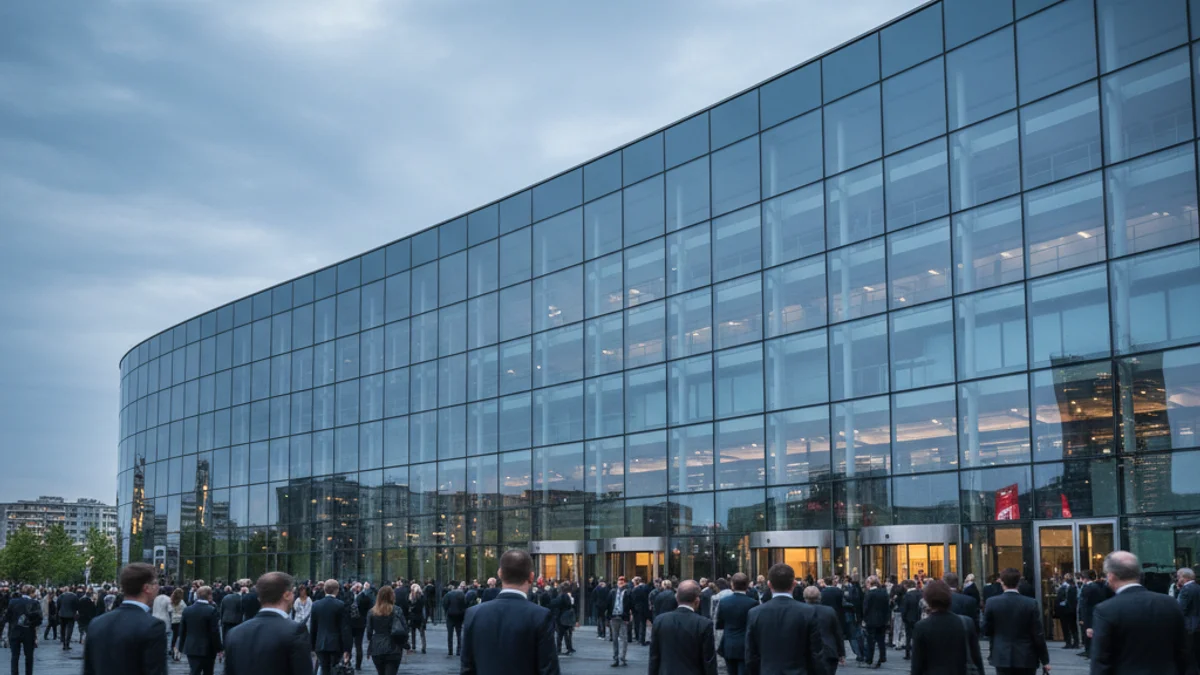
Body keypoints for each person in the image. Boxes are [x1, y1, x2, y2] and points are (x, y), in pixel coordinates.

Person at [1090, 551, 1195, 675]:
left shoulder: (1106, 610)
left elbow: (1101, 660)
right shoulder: (1170, 603)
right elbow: (1185, 653)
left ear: (1111, 576)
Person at [460, 549, 560, 675]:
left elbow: (467, 668)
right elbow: (549, 670)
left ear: (500, 574)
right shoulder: (540, 616)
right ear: (531, 577)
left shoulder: (473, 614)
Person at [82, 562, 168, 675]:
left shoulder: (96, 623)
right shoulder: (153, 626)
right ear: (147, 588)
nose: (158, 587)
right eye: (156, 583)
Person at [223, 572, 311, 675]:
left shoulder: (234, 633)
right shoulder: (296, 631)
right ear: (287, 595)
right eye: (293, 592)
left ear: (259, 598)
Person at [745, 563, 824, 675]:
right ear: (794, 584)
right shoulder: (808, 612)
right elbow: (816, 653)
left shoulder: (755, 613)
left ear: (769, 584)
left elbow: (751, 655)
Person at [981, 567, 1049, 675]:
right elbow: (1037, 634)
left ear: (1002, 582)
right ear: (1019, 582)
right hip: (1026, 655)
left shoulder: (992, 602)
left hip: (1001, 654)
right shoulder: (1030, 603)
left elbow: (986, 629)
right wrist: (1045, 660)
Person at [909, 580, 984, 675]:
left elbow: (917, 663)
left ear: (927, 600)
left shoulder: (921, 626)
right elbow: (976, 658)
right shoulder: (966, 622)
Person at [648, 580, 716, 675]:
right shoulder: (704, 624)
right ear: (697, 601)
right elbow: (709, 661)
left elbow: (654, 657)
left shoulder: (660, 621)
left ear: (677, 598)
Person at [715, 573, 756, 675]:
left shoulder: (724, 601)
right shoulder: (753, 603)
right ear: (747, 585)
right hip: (745, 645)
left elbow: (719, 624)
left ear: (732, 584)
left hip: (729, 644)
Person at [309, 579, 352, 675]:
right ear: (337, 590)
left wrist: (312, 646)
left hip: (320, 643)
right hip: (336, 644)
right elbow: (345, 629)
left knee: (324, 669)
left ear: (324, 589)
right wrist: (347, 649)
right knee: (335, 669)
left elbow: (313, 627)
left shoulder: (316, 605)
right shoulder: (340, 605)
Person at [179, 585, 222, 675]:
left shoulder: (187, 610)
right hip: (208, 649)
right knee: (208, 672)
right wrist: (219, 648)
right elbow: (214, 632)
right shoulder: (211, 610)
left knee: (194, 671)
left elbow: (182, 630)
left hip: (191, 647)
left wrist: (181, 647)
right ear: (209, 595)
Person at [803, 585, 844, 675]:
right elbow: (837, 632)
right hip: (829, 651)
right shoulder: (829, 611)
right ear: (820, 596)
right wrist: (841, 652)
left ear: (805, 598)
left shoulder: (800, 612)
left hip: (807, 652)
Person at [366, 585, 406, 675]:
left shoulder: (372, 612)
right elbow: (404, 629)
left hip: (377, 646)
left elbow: (369, 632)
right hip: (394, 646)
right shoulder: (397, 610)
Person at [4, 584, 41, 675]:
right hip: (29, 632)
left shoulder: (13, 602)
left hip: (15, 631)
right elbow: (39, 620)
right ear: (31, 593)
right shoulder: (35, 603)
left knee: (14, 656)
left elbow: (7, 617)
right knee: (29, 656)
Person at [860, 575, 889, 668]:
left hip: (871, 621)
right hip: (882, 620)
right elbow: (887, 607)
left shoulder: (869, 594)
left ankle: (869, 659)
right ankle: (882, 657)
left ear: (869, 583)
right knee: (881, 640)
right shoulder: (884, 592)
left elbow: (866, 608)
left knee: (870, 641)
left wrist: (864, 619)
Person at [609, 576, 633, 667]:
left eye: (623, 580)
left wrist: (629, 617)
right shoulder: (612, 592)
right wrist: (609, 617)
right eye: (619, 580)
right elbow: (608, 604)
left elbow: (631, 605)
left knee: (624, 639)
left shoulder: (628, 592)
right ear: (617, 582)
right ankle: (615, 658)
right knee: (615, 639)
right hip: (614, 617)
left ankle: (622, 657)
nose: (621, 582)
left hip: (623, 618)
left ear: (625, 582)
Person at [1179, 568, 1200, 664]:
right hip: (1197, 624)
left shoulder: (1186, 589)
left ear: (1185, 578)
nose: (1178, 579)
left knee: (1188, 652)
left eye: (1179, 577)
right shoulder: (1197, 587)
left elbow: (1180, 608)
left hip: (1189, 625)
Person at [350, 582, 373, 669]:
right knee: (358, 644)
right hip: (361, 623)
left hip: (351, 623)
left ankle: (347, 662)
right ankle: (358, 665)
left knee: (350, 644)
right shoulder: (365, 598)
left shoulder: (350, 597)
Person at [443, 581, 468, 657]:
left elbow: (445, 604)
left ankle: (450, 650)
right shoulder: (462, 595)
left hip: (450, 616)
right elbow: (465, 605)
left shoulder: (448, 595)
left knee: (450, 634)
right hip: (459, 616)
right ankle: (459, 650)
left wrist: (447, 612)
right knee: (459, 633)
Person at [1055, 573, 1079, 650]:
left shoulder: (1063, 588)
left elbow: (1059, 598)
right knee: (1073, 626)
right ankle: (1075, 642)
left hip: (1064, 609)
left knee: (1066, 627)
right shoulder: (1074, 587)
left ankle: (1069, 642)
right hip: (1071, 610)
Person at [552, 581, 576, 656]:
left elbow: (556, 605)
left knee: (560, 635)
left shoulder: (560, 596)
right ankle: (569, 648)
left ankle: (559, 650)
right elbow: (569, 605)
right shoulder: (566, 596)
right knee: (567, 634)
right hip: (566, 618)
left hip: (560, 618)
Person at [900, 580, 922, 660]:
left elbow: (904, 609)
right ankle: (918, 653)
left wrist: (904, 618)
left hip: (909, 619)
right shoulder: (920, 594)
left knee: (908, 637)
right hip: (919, 618)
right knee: (918, 636)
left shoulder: (907, 596)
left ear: (906, 586)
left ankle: (908, 653)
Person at [166, 588, 187, 660]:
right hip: (179, 621)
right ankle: (176, 650)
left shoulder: (170, 601)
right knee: (178, 636)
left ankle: (171, 648)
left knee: (172, 636)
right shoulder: (182, 602)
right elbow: (185, 611)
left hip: (172, 620)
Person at [407, 583, 426, 655]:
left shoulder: (411, 597)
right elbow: (423, 608)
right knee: (422, 633)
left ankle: (414, 646)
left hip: (413, 617)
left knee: (413, 632)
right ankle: (423, 647)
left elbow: (409, 605)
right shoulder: (422, 597)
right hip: (420, 617)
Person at [57, 586, 78, 650]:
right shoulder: (74, 596)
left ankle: (63, 643)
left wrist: (59, 612)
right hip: (71, 615)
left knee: (62, 629)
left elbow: (58, 605)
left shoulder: (60, 596)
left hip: (62, 615)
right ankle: (67, 643)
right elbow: (77, 605)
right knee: (69, 630)